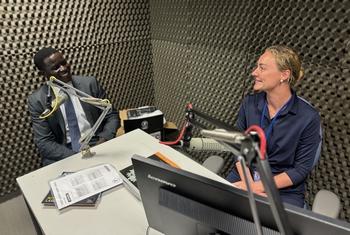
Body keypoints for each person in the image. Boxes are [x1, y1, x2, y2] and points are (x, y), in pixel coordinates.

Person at [226, 45, 322, 208]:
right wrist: (249, 183)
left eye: (261, 68)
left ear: (284, 75)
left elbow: (300, 169)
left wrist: (257, 188)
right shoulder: (249, 103)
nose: (254, 72)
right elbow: (238, 148)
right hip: (245, 175)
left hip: (283, 189)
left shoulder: (308, 117)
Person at [28, 47, 119, 166]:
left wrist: (104, 139)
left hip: (97, 145)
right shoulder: (37, 100)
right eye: (56, 67)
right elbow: (44, 142)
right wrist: (77, 158)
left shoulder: (89, 84)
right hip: (65, 154)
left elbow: (111, 115)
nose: (64, 68)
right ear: (43, 73)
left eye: (64, 63)